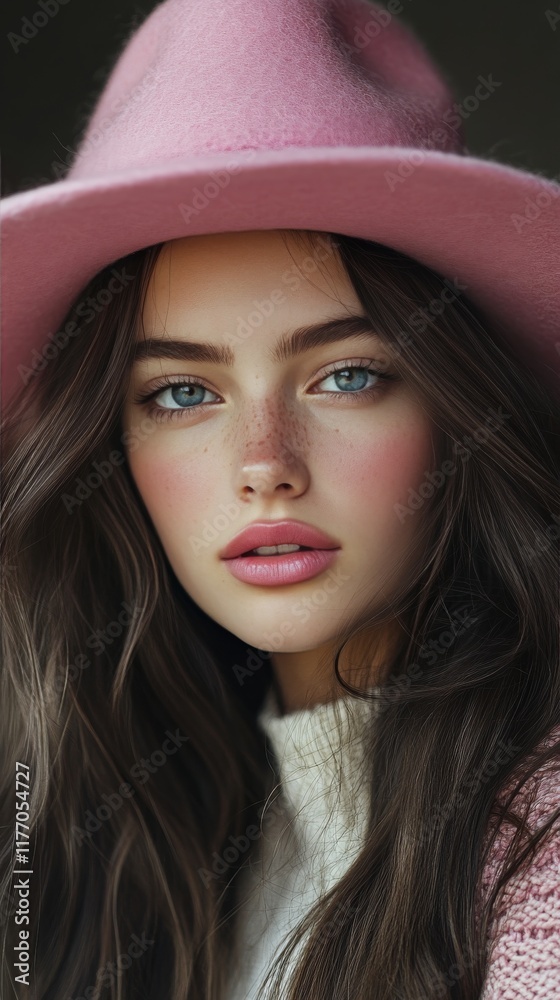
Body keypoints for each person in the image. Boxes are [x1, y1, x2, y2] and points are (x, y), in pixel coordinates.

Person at [1, 1, 559, 998]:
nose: (263, 463)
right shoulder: (152, 831)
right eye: (181, 393)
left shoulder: (539, 863)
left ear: (455, 411)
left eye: (344, 375)